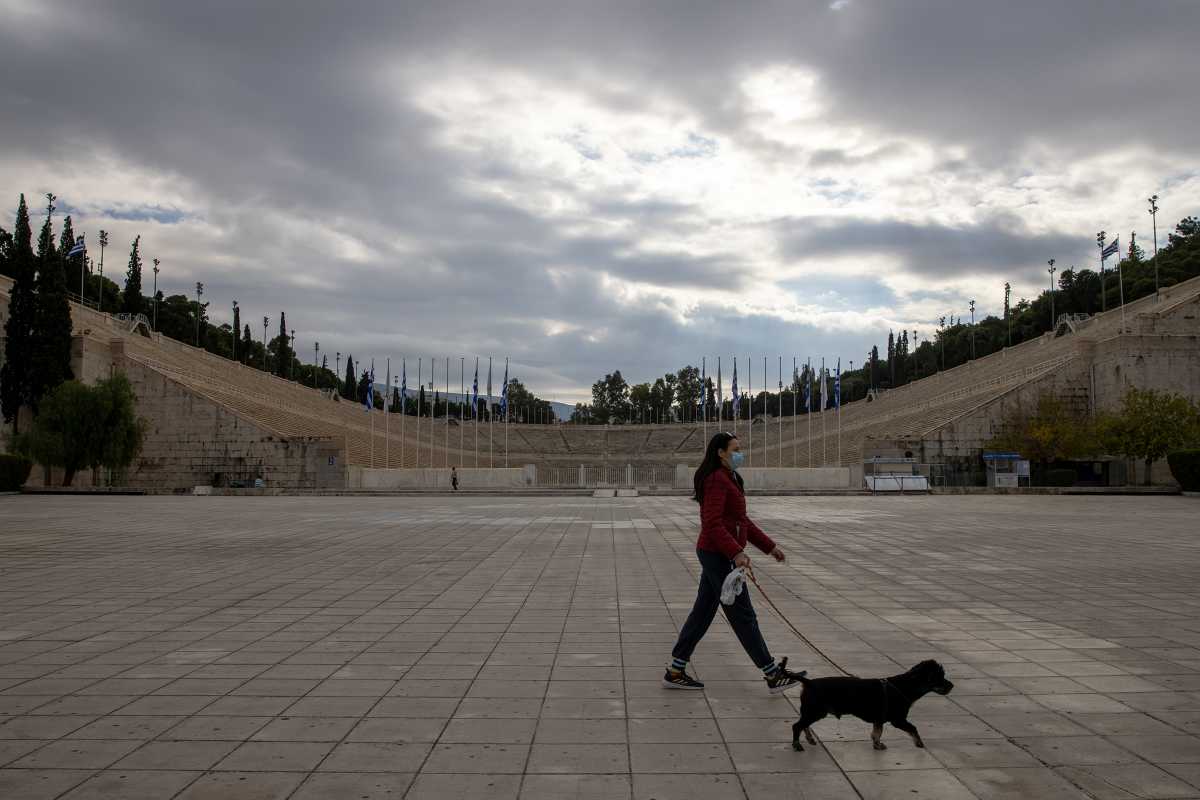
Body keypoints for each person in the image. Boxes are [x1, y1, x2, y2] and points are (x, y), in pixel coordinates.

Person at [663, 431, 806, 694]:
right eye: (735, 449)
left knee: (703, 613)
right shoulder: (716, 480)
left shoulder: (731, 478)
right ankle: (772, 673)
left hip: (717, 553)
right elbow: (713, 523)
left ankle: (676, 669)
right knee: (742, 614)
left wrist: (769, 546)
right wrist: (735, 553)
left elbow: (742, 521)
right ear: (721, 452)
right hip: (717, 555)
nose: (740, 453)